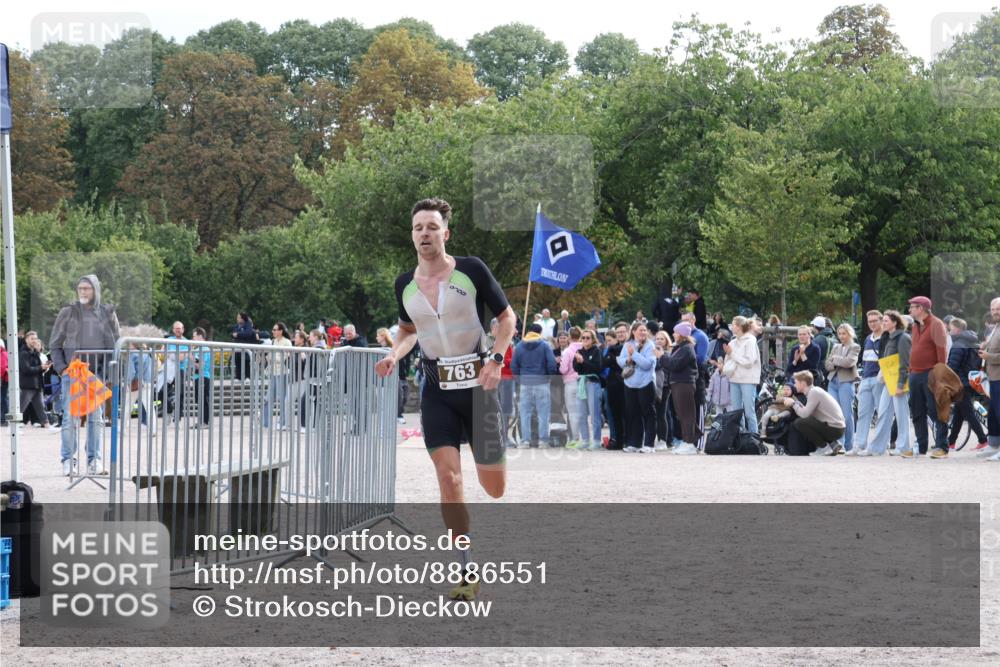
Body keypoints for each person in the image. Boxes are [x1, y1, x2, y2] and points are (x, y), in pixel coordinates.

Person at [374, 197, 515, 602]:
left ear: (445, 233)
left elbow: (507, 319)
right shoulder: (405, 284)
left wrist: (496, 359)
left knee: (494, 488)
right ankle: (466, 566)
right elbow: (407, 331)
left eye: (432, 227)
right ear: (412, 235)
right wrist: (393, 355)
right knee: (449, 479)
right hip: (437, 390)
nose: (424, 234)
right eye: (418, 228)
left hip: (479, 387)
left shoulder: (471, 271)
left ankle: (486, 468)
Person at [49, 274, 120, 476]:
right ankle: (68, 459)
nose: (82, 292)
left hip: (96, 374)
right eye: (80, 288)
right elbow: (54, 344)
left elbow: (116, 345)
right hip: (72, 373)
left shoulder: (107, 313)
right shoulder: (67, 312)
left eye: (87, 288)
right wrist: (62, 369)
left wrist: (106, 373)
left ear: (95, 290)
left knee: (96, 418)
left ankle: (94, 460)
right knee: (70, 418)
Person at [906, 296, 950, 458]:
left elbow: (941, 351)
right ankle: (921, 447)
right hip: (915, 374)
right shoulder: (915, 326)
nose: (909, 310)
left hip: (931, 373)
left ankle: (942, 447)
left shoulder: (936, 324)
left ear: (921, 309)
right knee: (917, 412)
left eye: (912, 307)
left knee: (936, 410)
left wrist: (940, 375)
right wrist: (911, 370)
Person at [869, 310, 912, 457]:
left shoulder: (903, 338)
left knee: (902, 414)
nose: (883, 323)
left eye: (886, 320)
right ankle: (877, 448)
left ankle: (903, 446)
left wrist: (901, 384)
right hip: (889, 380)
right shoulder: (888, 337)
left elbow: (905, 363)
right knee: (883, 413)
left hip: (899, 382)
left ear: (894, 322)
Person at [512, 323, 557, 447]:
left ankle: (525, 440)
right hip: (541, 381)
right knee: (543, 413)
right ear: (540, 332)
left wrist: (519, 379)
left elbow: (514, 366)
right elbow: (552, 364)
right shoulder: (544, 345)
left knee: (525, 413)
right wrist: (549, 377)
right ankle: (543, 441)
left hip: (525, 382)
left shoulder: (519, 346)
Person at [946, 318, 988, 450]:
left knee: (968, 412)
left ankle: (983, 440)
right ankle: (951, 442)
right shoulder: (972, 341)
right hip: (969, 381)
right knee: (959, 413)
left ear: (957, 329)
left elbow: (952, 366)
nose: (949, 331)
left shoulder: (958, 344)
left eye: (951, 329)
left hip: (960, 383)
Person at [781, 371, 846, 456]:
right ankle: (833, 444)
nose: (794, 385)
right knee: (808, 420)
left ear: (803, 383)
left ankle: (824, 448)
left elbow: (804, 414)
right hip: (837, 428)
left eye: (796, 382)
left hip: (835, 430)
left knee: (799, 422)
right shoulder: (815, 391)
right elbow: (809, 411)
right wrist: (797, 403)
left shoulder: (813, 392)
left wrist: (793, 404)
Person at [617, 322, 657, 453]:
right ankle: (635, 443)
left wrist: (634, 354)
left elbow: (647, 365)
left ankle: (649, 444)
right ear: (633, 332)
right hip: (630, 383)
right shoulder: (627, 344)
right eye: (640, 330)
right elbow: (621, 361)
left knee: (648, 414)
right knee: (633, 414)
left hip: (646, 383)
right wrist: (627, 360)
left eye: (645, 330)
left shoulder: (650, 345)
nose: (643, 332)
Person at [852, 310, 884, 456]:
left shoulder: (885, 338)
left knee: (882, 412)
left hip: (879, 379)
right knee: (863, 413)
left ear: (881, 321)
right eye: (870, 321)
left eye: (875, 321)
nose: (872, 324)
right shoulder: (867, 339)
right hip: (866, 378)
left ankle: (882, 444)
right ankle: (859, 444)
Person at [665, 323, 700, 454]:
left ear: (681, 334)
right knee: (681, 414)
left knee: (687, 414)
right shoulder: (680, 347)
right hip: (677, 383)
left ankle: (690, 443)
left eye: (675, 332)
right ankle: (687, 440)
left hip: (684, 384)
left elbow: (674, 364)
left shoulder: (687, 348)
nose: (673, 334)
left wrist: (662, 356)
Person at [825, 324, 860, 454]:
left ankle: (849, 445)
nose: (841, 336)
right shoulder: (836, 346)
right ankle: (837, 444)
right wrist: (837, 361)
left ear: (850, 334)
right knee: (834, 414)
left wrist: (835, 359)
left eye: (844, 333)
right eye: (839, 334)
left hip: (846, 382)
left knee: (847, 414)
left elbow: (849, 363)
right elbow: (827, 365)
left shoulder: (855, 347)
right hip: (832, 382)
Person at [722, 316, 761, 434]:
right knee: (737, 412)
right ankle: (741, 437)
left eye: (733, 325)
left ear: (739, 327)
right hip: (734, 378)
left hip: (748, 379)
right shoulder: (732, 342)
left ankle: (754, 437)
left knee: (749, 412)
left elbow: (749, 362)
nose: (731, 327)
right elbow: (727, 361)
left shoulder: (750, 341)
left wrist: (731, 354)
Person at [18, 331, 58, 432]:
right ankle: (12, 427)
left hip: (37, 384)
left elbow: (37, 368)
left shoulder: (35, 353)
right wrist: (41, 367)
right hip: (28, 384)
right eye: (32, 338)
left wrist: (44, 368)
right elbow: (26, 369)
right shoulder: (23, 353)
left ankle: (48, 426)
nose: (34, 341)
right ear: (26, 339)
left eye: (35, 338)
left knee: (40, 407)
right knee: (21, 407)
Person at [572, 328, 605, 450]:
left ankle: (596, 440)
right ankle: (585, 440)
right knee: (581, 414)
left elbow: (597, 368)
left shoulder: (596, 351)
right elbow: (576, 368)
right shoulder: (578, 351)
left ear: (593, 339)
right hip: (581, 382)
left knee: (594, 413)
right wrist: (579, 362)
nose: (585, 340)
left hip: (592, 383)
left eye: (588, 338)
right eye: (583, 337)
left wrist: (583, 361)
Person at [979, 297, 1000, 461]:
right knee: (993, 412)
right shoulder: (996, 327)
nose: (995, 312)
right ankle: (993, 444)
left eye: (998, 309)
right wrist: (985, 346)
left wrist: (989, 356)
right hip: (993, 377)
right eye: (993, 309)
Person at [602, 322, 629, 450]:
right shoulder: (612, 347)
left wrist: (614, 359)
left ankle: (628, 440)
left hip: (628, 384)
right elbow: (605, 362)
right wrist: (615, 359)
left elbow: (620, 363)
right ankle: (618, 440)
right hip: (613, 384)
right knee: (615, 414)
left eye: (622, 332)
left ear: (628, 332)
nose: (620, 334)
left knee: (628, 413)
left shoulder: (631, 345)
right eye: (618, 332)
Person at [559, 327, 586, 448]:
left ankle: (575, 438)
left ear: (570, 337)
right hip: (583, 381)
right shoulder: (584, 348)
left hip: (570, 382)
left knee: (572, 413)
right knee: (583, 411)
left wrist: (559, 365)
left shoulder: (568, 351)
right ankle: (586, 438)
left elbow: (563, 369)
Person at [263, 322, 292, 429]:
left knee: (282, 399)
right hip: (273, 372)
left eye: (275, 330)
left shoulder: (287, 342)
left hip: (283, 373)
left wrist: (274, 357)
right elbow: (269, 356)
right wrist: (273, 357)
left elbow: (285, 357)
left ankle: (283, 422)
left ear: (281, 331)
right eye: (273, 330)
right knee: (268, 398)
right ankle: (265, 422)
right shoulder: (274, 341)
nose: (273, 332)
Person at [190, 328, 213, 428]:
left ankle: (205, 422)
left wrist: (190, 355)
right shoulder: (200, 348)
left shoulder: (203, 349)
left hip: (203, 377)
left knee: (203, 400)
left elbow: (200, 365)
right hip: (199, 377)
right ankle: (201, 421)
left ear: (200, 336)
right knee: (199, 400)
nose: (193, 338)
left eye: (194, 336)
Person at [231, 312, 258, 380]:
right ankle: (238, 377)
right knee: (238, 361)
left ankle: (247, 376)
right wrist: (237, 335)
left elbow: (248, 334)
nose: (237, 319)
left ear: (243, 318)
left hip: (246, 346)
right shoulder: (236, 326)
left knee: (246, 362)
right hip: (237, 346)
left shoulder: (248, 325)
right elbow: (233, 334)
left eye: (239, 318)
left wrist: (238, 335)